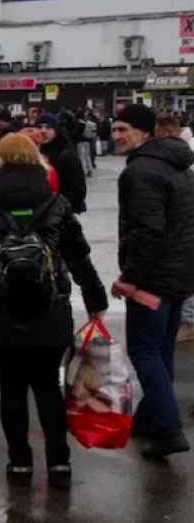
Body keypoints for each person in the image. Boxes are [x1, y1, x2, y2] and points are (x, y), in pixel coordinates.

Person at [0, 134, 107, 488]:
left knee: (12, 389)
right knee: (48, 387)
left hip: (2, 309)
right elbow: (79, 254)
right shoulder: (55, 202)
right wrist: (95, 298)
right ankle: (59, 464)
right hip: (50, 309)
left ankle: (19, 463)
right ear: (37, 161)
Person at [110, 104, 194, 460]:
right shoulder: (177, 165)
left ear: (145, 133)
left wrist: (130, 280)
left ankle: (168, 428)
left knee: (144, 350)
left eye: (123, 129)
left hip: (153, 280)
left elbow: (148, 231)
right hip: (179, 274)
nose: (116, 136)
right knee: (160, 350)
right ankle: (151, 417)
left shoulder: (141, 171)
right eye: (114, 129)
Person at [36, 113, 86, 213]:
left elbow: (77, 187)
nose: (43, 131)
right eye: (40, 127)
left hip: (60, 211)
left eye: (48, 127)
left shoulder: (66, 154)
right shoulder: (33, 152)